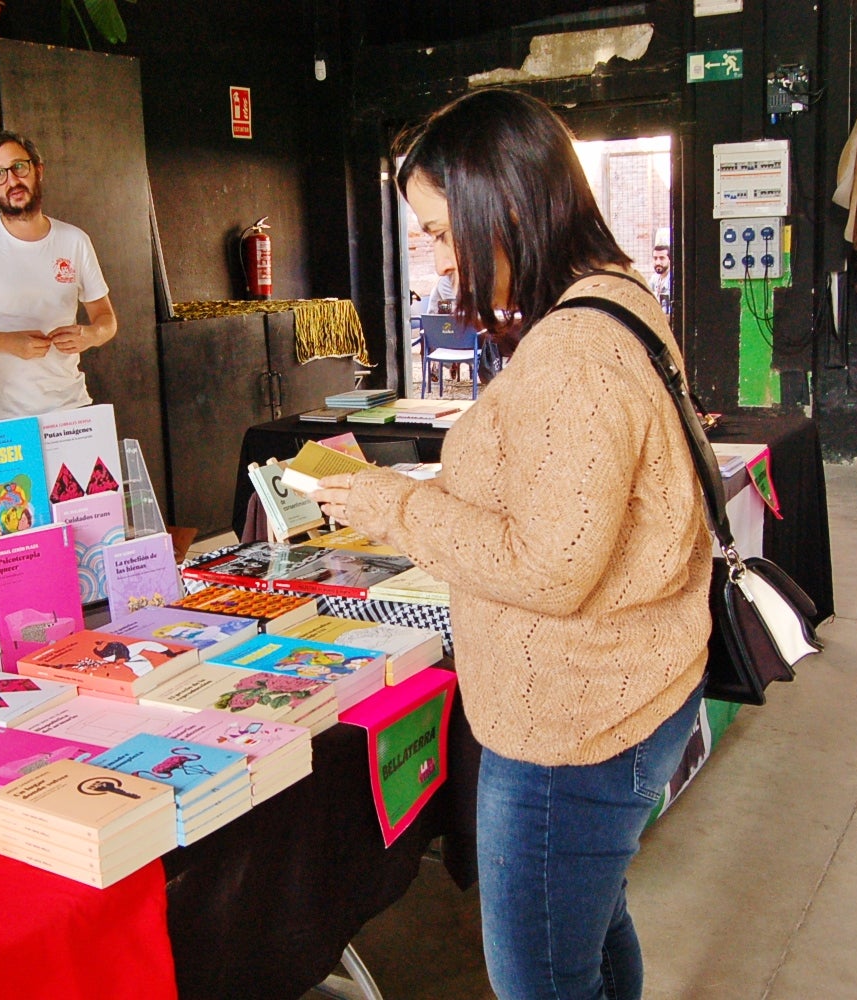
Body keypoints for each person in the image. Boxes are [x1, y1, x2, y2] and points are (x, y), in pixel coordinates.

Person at [311, 89, 711, 1000]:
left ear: (508, 207)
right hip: (628, 688)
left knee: (541, 977)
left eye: (441, 232)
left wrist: (391, 506)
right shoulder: (615, 296)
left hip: (574, 724)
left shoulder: (571, 352)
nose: (438, 259)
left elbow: (551, 566)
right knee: (592, 928)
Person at [0, 131, 117, 421]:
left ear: (38, 170)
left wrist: (91, 335)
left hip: (71, 408)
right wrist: (7, 342)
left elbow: (106, 319)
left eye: (19, 167)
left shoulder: (75, 240)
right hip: (1, 416)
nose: (12, 181)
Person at [649, 228, 672, 320]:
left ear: (669, 259)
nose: (658, 262)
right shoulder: (654, 279)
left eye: (662, 258)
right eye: (655, 258)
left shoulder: (672, 280)